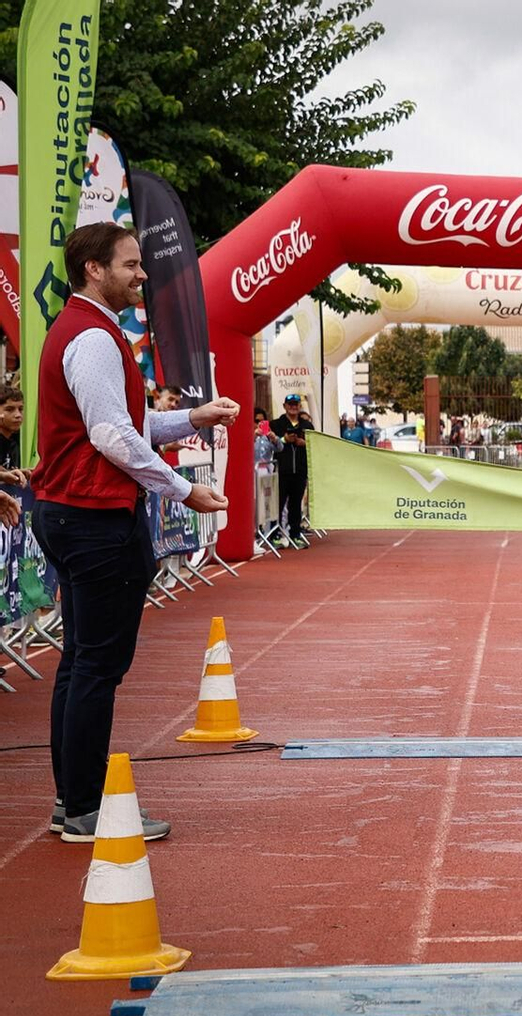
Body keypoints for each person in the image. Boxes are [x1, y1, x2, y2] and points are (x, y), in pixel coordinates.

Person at [34, 221, 236, 842]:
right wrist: (181, 488)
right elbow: (113, 436)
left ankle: (74, 802)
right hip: (93, 516)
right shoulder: (92, 337)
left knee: (82, 664)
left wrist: (187, 419)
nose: (141, 274)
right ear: (94, 269)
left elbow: (125, 421)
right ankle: (86, 810)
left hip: (76, 511)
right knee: (96, 666)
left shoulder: (87, 331)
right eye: (129, 264)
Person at [269, 394, 314, 546]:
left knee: (296, 504)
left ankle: (295, 533)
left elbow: (315, 445)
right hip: (281, 470)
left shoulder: (307, 425)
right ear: (284, 406)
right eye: (290, 404)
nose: (293, 407)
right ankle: (274, 534)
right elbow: (270, 443)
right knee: (278, 503)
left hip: (300, 471)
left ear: (300, 406)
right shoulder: (275, 424)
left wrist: (304, 443)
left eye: (296, 404)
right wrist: (284, 440)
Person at [0, 385, 29, 491]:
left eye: (20, 409)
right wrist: (4, 475)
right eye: (10, 409)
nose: (18, 415)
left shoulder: (15, 441)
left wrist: (20, 473)